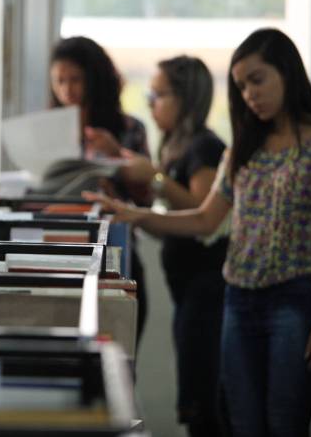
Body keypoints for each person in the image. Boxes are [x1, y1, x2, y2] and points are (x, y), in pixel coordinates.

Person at [84, 28, 311, 437]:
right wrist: (135, 215)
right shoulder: (243, 148)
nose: (250, 94)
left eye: (258, 80)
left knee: (285, 424)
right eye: (241, 86)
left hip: (295, 301)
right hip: (239, 300)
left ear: (287, 72)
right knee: (242, 425)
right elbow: (203, 219)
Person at [118, 55, 228, 436]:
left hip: (208, 290)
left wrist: (156, 179)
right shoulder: (178, 147)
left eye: (159, 94)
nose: (150, 102)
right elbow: (174, 224)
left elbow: (201, 213)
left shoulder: (205, 147)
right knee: (195, 396)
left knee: (203, 404)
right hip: (188, 291)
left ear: (186, 99)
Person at [49, 35, 151, 342]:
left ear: (94, 79)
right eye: (59, 81)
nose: (67, 90)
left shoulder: (130, 129)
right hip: (56, 251)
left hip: (117, 253)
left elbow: (147, 199)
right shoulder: (47, 130)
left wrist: (117, 156)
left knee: (120, 355)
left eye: (76, 79)